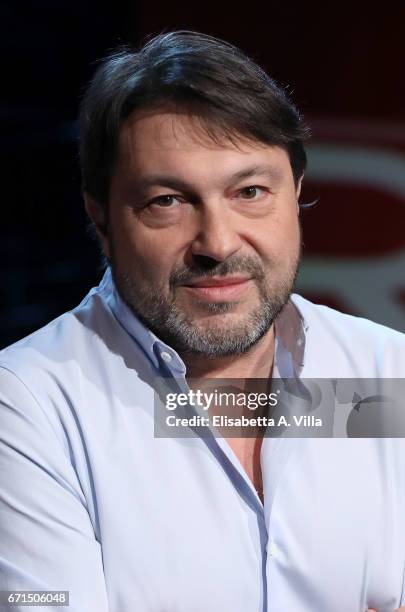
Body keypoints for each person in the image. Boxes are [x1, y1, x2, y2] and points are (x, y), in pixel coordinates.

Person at [0, 30, 404, 612]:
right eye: (168, 201)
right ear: (101, 218)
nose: (216, 243)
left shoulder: (388, 374)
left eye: (251, 191)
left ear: (296, 195)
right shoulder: (33, 407)